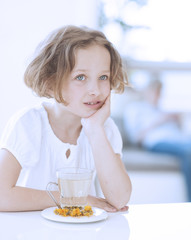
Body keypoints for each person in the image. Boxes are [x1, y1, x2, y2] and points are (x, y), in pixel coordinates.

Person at [0, 25, 132, 212]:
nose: (95, 90)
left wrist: (95, 130)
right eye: (80, 77)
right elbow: (2, 196)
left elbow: (119, 200)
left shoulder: (104, 128)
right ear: (50, 83)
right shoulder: (28, 124)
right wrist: (72, 199)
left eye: (103, 77)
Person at [123, 79, 191, 201]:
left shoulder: (162, 109)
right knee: (188, 152)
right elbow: (137, 137)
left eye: (160, 92)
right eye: (155, 92)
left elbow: (180, 132)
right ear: (147, 91)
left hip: (178, 139)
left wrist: (178, 120)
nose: (158, 96)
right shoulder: (135, 109)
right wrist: (161, 120)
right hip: (158, 142)